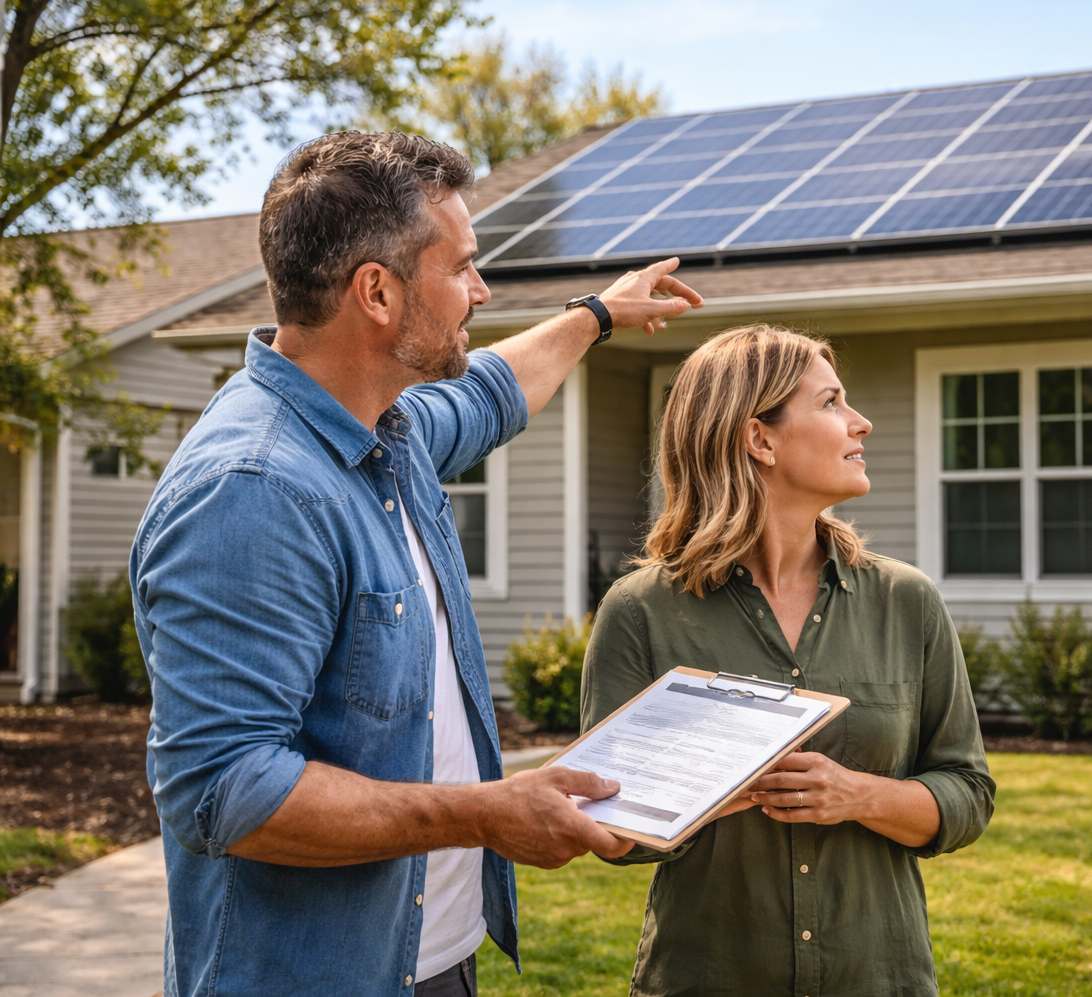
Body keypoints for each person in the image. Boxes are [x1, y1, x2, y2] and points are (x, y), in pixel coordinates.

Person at [129, 131, 703, 997]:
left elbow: (492, 392)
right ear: (378, 291)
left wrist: (599, 314)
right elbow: (224, 789)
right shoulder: (254, 489)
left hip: (428, 958)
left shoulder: (385, 433)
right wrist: (485, 814)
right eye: (463, 267)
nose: (482, 290)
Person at [581, 325, 996, 997]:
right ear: (760, 439)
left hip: (879, 979)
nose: (860, 423)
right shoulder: (640, 612)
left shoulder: (905, 601)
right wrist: (714, 791)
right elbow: (612, 832)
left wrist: (858, 795)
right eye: (831, 403)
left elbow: (968, 794)